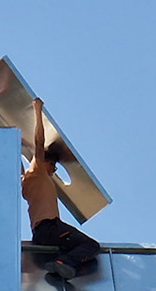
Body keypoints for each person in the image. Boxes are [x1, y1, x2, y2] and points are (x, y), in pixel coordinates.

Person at [22, 98, 100, 280]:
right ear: (45, 162)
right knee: (91, 246)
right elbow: (39, 142)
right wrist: (37, 111)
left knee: (80, 251)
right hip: (50, 227)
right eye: (54, 167)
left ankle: (62, 268)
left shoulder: (27, 183)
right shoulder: (38, 171)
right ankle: (63, 263)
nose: (54, 171)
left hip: (42, 233)